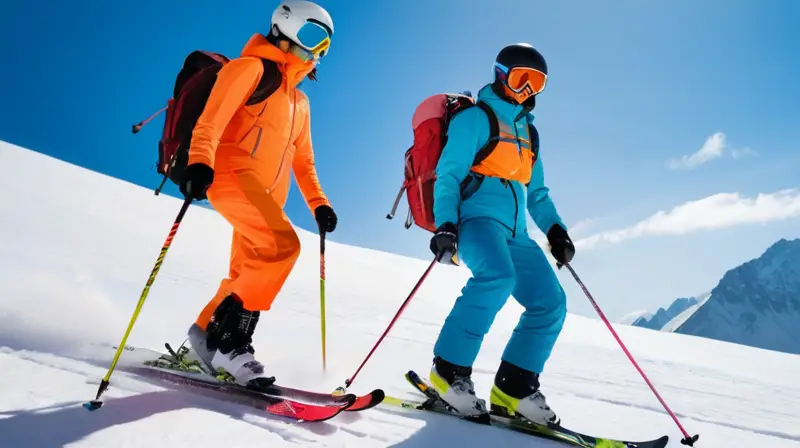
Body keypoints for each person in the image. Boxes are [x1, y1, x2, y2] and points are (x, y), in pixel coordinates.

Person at [178, 0, 338, 389]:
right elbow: (210, 121)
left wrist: (319, 203)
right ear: (285, 27)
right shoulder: (249, 69)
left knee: (245, 273)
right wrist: (199, 162)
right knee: (282, 247)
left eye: (326, 45)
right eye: (313, 37)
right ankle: (228, 342)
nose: (317, 51)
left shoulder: (300, 101)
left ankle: (202, 336)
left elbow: (305, 161)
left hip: (267, 196)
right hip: (232, 177)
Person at [427, 43, 575, 424]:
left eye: (536, 83)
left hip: (517, 232)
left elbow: (537, 194)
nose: (527, 90)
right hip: (476, 221)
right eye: (520, 78)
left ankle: (515, 387)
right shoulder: (475, 118)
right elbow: (449, 173)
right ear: (500, 74)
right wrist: (446, 223)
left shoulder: (530, 134)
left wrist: (556, 231)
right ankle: (448, 373)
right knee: (496, 277)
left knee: (551, 301)